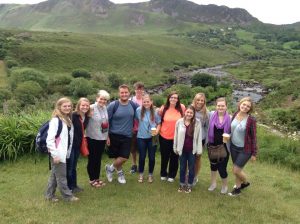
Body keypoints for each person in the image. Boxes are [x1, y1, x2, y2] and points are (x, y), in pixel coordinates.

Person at [45, 97, 78, 202]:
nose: (67, 108)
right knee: (61, 177)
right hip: (58, 154)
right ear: (59, 107)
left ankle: (49, 195)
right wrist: (55, 155)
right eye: (65, 106)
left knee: (55, 175)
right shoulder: (56, 120)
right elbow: (50, 140)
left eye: (69, 106)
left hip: (64, 153)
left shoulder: (67, 118)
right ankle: (67, 196)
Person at [105, 84, 138, 184]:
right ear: (119, 93)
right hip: (114, 135)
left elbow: (143, 111)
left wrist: (156, 110)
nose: (124, 94)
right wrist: (107, 136)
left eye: (126, 92)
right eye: (122, 92)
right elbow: (106, 121)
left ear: (129, 93)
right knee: (117, 157)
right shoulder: (113, 105)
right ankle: (120, 174)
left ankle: (109, 168)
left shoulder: (133, 105)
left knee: (124, 157)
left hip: (128, 135)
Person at [228, 97, 258, 196]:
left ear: (250, 109)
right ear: (240, 104)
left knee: (236, 170)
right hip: (233, 147)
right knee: (238, 170)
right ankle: (237, 189)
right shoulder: (235, 114)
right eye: (244, 104)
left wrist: (254, 153)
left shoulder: (251, 120)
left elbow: (253, 137)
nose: (245, 107)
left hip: (245, 149)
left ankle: (245, 183)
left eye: (248, 106)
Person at [174, 105, 202, 193]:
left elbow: (199, 137)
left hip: (192, 150)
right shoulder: (179, 122)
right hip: (182, 149)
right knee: (182, 167)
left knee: (191, 168)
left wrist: (199, 150)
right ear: (185, 112)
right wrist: (175, 147)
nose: (189, 114)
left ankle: (189, 185)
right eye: (188, 112)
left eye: (191, 113)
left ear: (193, 114)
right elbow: (176, 136)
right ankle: (181, 184)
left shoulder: (197, 123)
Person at [159, 91, 185, 182]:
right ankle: (163, 173)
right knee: (164, 156)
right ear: (168, 98)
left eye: (175, 98)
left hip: (177, 137)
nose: (173, 99)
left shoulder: (182, 108)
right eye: (172, 97)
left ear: (178, 100)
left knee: (175, 157)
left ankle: (172, 175)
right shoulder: (163, 108)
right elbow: (159, 120)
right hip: (164, 136)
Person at [85, 90, 110, 188]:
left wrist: (107, 137)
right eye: (101, 99)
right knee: (92, 159)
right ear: (97, 98)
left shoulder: (105, 108)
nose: (103, 101)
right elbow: (81, 117)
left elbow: (106, 123)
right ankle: (92, 180)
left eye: (105, 100)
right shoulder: (91, 108)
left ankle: (97, 178)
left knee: (98, 159)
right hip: (92, 137)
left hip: (102, 138)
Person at [135, 94, 161, 183]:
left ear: (151, 102)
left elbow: (159, 123)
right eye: (144, 102)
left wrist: (157, 131)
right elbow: (135, 120)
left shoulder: (155, 111)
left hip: (153, 137)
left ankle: (150, 175)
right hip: (141, 137)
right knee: (142, 157)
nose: (146, 103)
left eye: (148, 101)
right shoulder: (138, 110)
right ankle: (141, 174)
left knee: (152, 157)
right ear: (142, 102)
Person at [207, 97, 231, 194]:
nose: (220, 107)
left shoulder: (230, 118)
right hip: (212, 145)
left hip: (224, 147)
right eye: (219, 105)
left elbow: (233, 132)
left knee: (222, 168)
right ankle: (213, 184)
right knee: (213, 166)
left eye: (223, 105)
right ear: (216, 106)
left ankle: (225, 186)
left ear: (226, 106)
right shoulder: (211, 114)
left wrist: (229, 135)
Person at [67, 97, 90, 193]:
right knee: (70, 167)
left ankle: (74, 185)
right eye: (83, 105)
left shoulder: (87, 117)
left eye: (87, 105)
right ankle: (68, 188)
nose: (85, 107)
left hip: (77, 145)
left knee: (74, 166)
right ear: (78, 106)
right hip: (70, 145)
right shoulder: (73, 115)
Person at [192, 93, 209, 185]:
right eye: (198, 100)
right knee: (188, 157)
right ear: (195, 100)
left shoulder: (206, 112)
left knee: (197, 158)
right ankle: (188, 174)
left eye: (202, 100)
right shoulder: (190, 109)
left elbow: (207, 128)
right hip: (190, 138)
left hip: (200, 139)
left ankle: (195, 176)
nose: (200, 102)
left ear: (204, 102)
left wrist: (205, 142)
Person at [130, 82, 145, 174]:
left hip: (143, 129)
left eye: (141, 89)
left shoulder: (146, 100)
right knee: (133, 148)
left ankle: (140, 165)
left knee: (141, 148)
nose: (139, 90)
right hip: (133, 128)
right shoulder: (131, 100)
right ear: (135, 90)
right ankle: (134, 164)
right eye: (137, 89)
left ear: (143, 90)